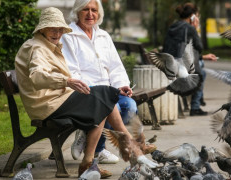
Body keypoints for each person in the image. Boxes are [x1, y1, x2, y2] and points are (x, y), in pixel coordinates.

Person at [14, 7, 132, 178]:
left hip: (57, 98)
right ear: (42, 29)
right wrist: (67, 81)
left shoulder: (47, 45)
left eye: (60, 29)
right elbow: (37, 75)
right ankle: (123, 144)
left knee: (104, 96)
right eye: (52, 28)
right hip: (48, 105)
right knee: (103, 98)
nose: (57, 32)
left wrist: (70, 83)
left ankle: (113, 147)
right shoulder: (37, 48)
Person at [60, 0, 141, 169]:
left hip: (109, 91)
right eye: (86, 10)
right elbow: (72, 70)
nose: (90, 14)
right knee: (111, 108)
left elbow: (116, 66)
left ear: (99, 13)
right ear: (77, 12)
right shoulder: (69, 36)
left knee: (130, 107)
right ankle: (99, 150)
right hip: (86, 93)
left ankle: (86, 133)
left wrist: (121, 85)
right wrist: (95, 91)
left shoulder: (103, 36)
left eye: (94, 10)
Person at [162, 2, 217, 116]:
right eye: (197, 15)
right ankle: (195, 106)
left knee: (200, 64)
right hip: (180, 68)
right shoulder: (189, 28)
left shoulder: (173, 26)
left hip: (169, 64)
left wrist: (203, 57)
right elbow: (199, 47)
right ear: (192, 16)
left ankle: (198, 101)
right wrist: (195, 28)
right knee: (201, 71)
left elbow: (179, 51)